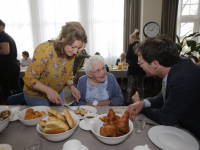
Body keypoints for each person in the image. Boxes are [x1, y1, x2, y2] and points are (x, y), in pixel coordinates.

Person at [126, 35, 200, 140]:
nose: (140, 66)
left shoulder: (183, 77)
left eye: (141, 63)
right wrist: (142, 103)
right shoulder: (176, 67)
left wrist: (142, 109)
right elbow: (163, 97)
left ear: (155, 64)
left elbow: (166, 118)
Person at [23, 22, 87, 106]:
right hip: (36, 95)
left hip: (57, 91)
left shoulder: (71, 53)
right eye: (73, 46)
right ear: (63, 39)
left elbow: (67, 75)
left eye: (78, 48)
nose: (75, 51)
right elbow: (29, 79)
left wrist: (72, 86)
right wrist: (48, 90)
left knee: (61, 115)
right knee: (44, 118)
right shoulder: (44, 50)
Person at [0, 19, 22, 101]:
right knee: (15, 86)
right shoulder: (7, 36)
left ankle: (9, 109)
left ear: (2, 26)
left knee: (7, 88)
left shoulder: (2, 36)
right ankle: (25, 103)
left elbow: (5, 51)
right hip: (12, 65)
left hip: (7, 67)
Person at [126, 29, 146, 105]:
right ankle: (141, 100)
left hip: (133, 68)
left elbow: (128, 57)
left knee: (130, 85)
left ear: (133, 38)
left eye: (131, 39)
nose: (130, 40)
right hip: (141, 68)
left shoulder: (131, 46)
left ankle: (128, 101)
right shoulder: (143, 45)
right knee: (140, 85)